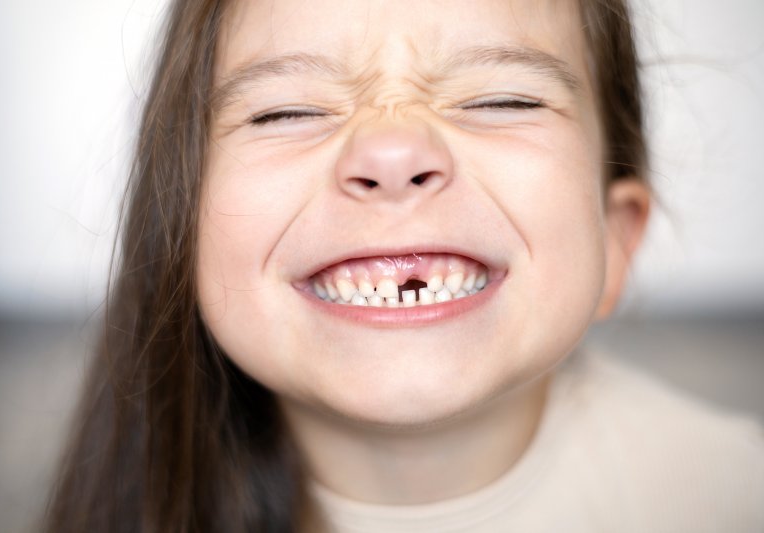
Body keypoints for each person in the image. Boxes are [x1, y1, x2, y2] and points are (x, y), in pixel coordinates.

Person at [43, 1, 764, 531]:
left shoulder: (734, 493)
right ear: (182, 224)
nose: (392, 152)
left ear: (615, 240)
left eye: (500, 98)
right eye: (286, 112)